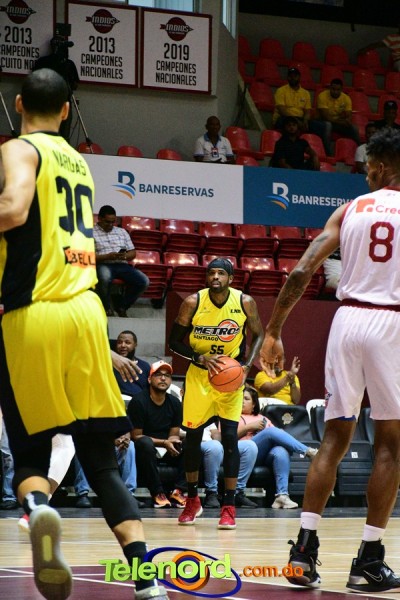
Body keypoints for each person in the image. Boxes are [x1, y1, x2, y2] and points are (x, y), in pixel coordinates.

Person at [0, 69, 168, 600]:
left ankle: (38, 509)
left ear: (19, 104)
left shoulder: (19, 148)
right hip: (87, 313)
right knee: (101, 460)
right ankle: (146, 579)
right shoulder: (79, 163)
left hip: (35, 313)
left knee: (31, 454)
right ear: (67, 111)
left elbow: (13, 209)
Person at [259, 127, 400, 593]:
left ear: (381, 166)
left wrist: (274, 329)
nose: (365, 174)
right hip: (391, 323)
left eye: (367, 168)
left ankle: (303, 552)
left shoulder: (349, 209)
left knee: (333, 438)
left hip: (347, 320)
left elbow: (302, 270)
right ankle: (369, 560)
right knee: (390, 446)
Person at [169, 257, 264, 529]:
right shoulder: (193, 302)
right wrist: (198, 357)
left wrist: (246, 366)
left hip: (230, 378)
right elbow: (174, 341)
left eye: (221, 273)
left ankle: (229, 506)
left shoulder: (244, 302)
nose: (215, 277)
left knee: (231, 439)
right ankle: (192, 500)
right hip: (199, 377)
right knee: (192, 440)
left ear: (230, 278)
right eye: (211, 273)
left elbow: (258, 334)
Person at [239, 385, 317, 509]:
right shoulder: (232, 416)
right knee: (270, 432)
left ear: (254, 404)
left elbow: (277, 435)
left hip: (263, 455)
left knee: (280, 451)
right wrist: (249, 427)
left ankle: (282, 496)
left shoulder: (263, 418)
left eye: (246, 399)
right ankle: (308, 451)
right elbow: (226, 439)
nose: (242, 401)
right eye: (240, 398)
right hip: (243, 455)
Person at [128, 360, 187, 508]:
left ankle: (178, 491)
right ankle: (157, 493)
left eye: (167, 376)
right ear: (149, 379)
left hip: (167, 447)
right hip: (145, 450)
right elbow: (136, 436)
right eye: (158, 375)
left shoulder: (175, 403)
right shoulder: (139, 401)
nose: (163, 378)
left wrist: (172, 442)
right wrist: (164, 443)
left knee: (190, 443)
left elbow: (174, 434)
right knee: (145, 443)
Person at [94, 205, 149, 317]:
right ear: (99, 218)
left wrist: (123, 256)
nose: (110, 225)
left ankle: (122, 307)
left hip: (121, 264)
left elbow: (132, 253)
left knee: (144, 281)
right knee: (104, 277)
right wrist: (107, 256)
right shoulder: (90, 232)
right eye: (107, 222)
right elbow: (89, 256)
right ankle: (107, 308)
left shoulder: (122, 232)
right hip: (103, 263)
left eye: (113, 222)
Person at [200, 423, 258, 509]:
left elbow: (215, 432)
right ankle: (211, 492)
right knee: (214, 447)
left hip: (214, 444)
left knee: (250, 446)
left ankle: (237, 492)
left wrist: (220, 442)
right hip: (195, 444)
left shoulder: (206, 416)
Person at [32, 35, 79, 142]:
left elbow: (75, 85)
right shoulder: (44, 62)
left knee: (64, 135)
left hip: (64, 102)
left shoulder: (68, 64)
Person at [272, 67, 326, 144]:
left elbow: (307, 112)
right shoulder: (281, 90)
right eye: (290, 76)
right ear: (287, 77)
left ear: (299, 77)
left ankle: (322, 149)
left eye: (295, 76)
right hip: (284, 117)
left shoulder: (305, 93)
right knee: (287, 123)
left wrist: (305, 121)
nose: (293, 78)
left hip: (300, 118)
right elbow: (282, 110)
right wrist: (297, 122)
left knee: (321, 126)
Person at [315, 78, 360, 155]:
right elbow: (326, 117)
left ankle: (359, 152)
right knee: (328, 125)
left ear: (341, 89)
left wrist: (347, 121)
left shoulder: (346, 98)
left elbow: (348, 116)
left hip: (337, 123)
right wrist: (342, 121)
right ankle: (327, 154)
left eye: (338, 90)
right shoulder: (322, 96)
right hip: (322, 122)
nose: (335, 91)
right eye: (333, 89)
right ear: (330, 88)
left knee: (354, 128)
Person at [113, 330, 151, 397]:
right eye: (119, 342)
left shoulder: (145, 366)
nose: (123, 345)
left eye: (127, 342)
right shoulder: (110, 365)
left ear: (135, 345)